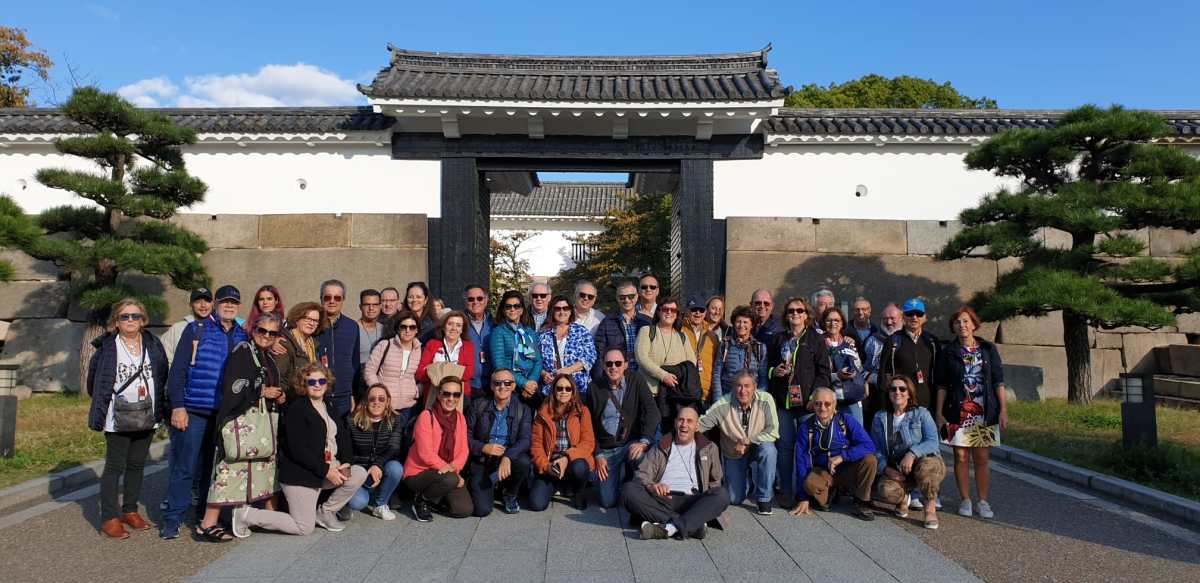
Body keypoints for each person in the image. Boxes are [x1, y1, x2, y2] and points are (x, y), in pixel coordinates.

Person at [230, 363, 368, 537]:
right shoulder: (296, 408)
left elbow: (343, 437)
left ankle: (325, 513)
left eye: (321, 381)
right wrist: (326, 471)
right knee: (304, 527)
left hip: (325, 468)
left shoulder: (329, 405)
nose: (317, 385)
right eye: (311, 382)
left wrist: (346, 462)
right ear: (304, 384)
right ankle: (246, 515)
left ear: (327, 383)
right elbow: (298, 450)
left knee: (358, 473)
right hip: (302, 475)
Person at [161, 285, 249, 540]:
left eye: (234, 303)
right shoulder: (196, 330)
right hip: (195, 410)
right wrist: (178, 406)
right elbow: (178, 372)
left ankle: (202, 515)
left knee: (212, 469)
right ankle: (173, 519)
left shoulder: (242, 335)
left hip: (223, 414)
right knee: (185, 467)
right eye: (224, 302)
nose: (229, 306)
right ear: (216, 304)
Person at [196, 313, 286, 542]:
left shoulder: (266, 356)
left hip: (260, 423)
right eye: (262, 330)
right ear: (253, 330)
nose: (266, 336)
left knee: (264, 469)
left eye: (272, 333)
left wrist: (278, 395)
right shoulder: (242, 352)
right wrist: (262, 392)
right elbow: (233, 386)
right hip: (240, 420)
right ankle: (207, 524)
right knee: (229, 469)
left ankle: (268, 515)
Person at [87, 299, 169, 539]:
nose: (130, 320)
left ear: (143, 320)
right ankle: (109, 517)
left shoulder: (153, 344)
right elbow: (94, 382)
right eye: (125, 316)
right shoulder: (107, 348)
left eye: (135, 316)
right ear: (116, 321)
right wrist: (104, 406)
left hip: (147, 413)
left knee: (137, 464)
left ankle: (130, 510)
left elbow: (162, 374)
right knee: (115, 467)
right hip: (118, 415)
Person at [935, 306, 1007, 520]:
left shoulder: (987, 349)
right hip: (957, 410)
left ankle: (983, 501)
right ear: (953, 327)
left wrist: (1003, 409)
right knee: (960, 456)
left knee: (982, 457)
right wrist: (939, 412)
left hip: (984, 410)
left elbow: (998, 380)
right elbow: (941, 385)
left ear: (974, 324)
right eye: (957, 322)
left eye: (966, 321)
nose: (962, 325)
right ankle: (965, 499)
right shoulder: (947, 351)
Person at [623, 406, 730, 540]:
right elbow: (641, 474)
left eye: (689, 421)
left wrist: (712, 507)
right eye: (681, 420)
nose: (684, 425)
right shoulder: (661, 446)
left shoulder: (709, 448)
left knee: (722, 494)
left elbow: (715, 483)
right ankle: (692, 525)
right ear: (675, 423)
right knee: (628, 490)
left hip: (693, 500)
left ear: (697, 426)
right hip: (663, 500)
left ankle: (668, 529)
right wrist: (652, 486)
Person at [767, 297, 831, 509]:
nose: (795, 314)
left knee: (806, 449)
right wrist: (774, 371)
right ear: (786, 315)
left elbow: (824, 373)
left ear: (806, 315)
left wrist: (814, 398)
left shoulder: (816, 339)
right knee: (785, 448)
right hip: (784, 403)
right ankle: (786, 490)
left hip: (807, 405)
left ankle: (807, 492)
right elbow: (767, 367)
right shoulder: (778, 339)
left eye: (799, 310)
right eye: (791, 311)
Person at [585, 348, 661, 508]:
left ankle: (639, 491)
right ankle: (619, 480)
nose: (613, 367)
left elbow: (652, 411)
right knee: (607, 502)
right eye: (609, 364)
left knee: (641, 457)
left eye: (618, 363)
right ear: (603, 365)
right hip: (607, 450)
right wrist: (597, 454)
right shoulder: (594, 388)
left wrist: (644, 441)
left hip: (630, 443)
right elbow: (588, 426)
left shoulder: (636, 380)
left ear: (625, 365)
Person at [789, 388, 878, 521]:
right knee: (810, 484)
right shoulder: (806, 428)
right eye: (818, 403)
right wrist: (803, 498)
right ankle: (831, 492)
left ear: (835, 404)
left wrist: (843, 456)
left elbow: (869, 445)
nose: (822, 408)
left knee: (870, 460)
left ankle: (861, 501)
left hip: (846, 468)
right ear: (812, 405)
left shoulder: (846, 420)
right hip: (824, 471)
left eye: (827, 404)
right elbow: (801, 462)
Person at [697, 371, 778, 514]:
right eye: (739, 386)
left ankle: (764, 499)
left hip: (758, 446)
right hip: (734, 451)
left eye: (747, 386)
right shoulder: (723, 403)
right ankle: (748, 482)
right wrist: (684, 426)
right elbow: (701, 423)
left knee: (769, 450)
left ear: (755, 387)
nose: (743, 390)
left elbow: (773, 431)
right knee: (734, 499)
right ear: (733, 387)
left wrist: (748, 441)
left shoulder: (766, 399)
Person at [872, 375, 945, 529]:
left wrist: (912, 454)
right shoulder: (880, 417)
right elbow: (876, 449)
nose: (897, 392)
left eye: (902, 389)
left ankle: (930, 509)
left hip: (923, 463)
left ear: (909, 393)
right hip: (898, 468)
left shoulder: (922, 414)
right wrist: (886, 469)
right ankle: (903, 498)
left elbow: (933, 441)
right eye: (893, 389)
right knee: (886, 489)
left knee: (928, 467)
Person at [403, 376, 473, 522]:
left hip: (447, 473)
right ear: (439, 395)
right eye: (446, 394)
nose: (451, 399)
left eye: (456, 394)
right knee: (450, 479)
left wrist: (454, 469)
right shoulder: (426, 416)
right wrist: (452, 472)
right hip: (420, 472)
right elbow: (425, 454)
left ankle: (434, 500)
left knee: (464, 509)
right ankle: (421, 500)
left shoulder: (460, 418)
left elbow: (464, 450)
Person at [465, 369, 533, 516]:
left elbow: (526, 440)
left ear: (513, 386)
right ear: (491, 385)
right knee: (482, 510)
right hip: (483, 459)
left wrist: (508, 456)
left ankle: (510, 494)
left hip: (506, 457)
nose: (502, 387)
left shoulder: (523, 409)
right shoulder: (478, 405)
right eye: (498, 383)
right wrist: (483, 447)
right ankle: (490, 486)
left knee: (523, 462)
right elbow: (465, 436)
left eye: (507, 383)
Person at [529, 374, 595, 511]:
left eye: (568, 389)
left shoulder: (582, 411)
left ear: (573, 391)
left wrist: (566, 457)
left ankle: (578, 491)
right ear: (553, 391)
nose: (563, 392)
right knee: (537, 504)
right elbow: (536, 445)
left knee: (580, 466)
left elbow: (588, 443)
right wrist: (546, 466)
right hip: (551, 464)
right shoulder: (543, 413)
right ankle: (558, 485)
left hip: (572, 461)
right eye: (559, 388)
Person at [344, 384, 406, 521]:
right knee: (358, 503)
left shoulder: (396, 419)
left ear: (388, 401)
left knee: (396, 468)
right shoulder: (352, 421)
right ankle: (368, 494)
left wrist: (377, 465)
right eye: (372, 398)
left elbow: (394, 447)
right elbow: (346, 452)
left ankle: (380, 504)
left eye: (381, 399)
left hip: (382, 469)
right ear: (366, 401)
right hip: (360, 472)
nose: (376, 402)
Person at [635, 297, 697, 413]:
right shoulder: (647, 331)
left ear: (677, 314)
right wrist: (663, 375)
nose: (669, 312)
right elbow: (641, 357)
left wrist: (676, 375)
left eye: (673, 310)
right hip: (651, 394)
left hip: (674, 394)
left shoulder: (682, 336)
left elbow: (691, 363)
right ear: (659, 312)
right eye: (665, 309)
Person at [878, 298, 940, 411]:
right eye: (909, 314)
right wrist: (885, 406)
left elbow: (940, 376)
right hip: (901, 404)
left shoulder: (932, 342)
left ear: (925, 317)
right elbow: (883, 376)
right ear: (903, 317)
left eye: (918, 314)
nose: (914, 317)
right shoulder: (893, 341)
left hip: (928, 404)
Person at [488, 290, 543, 408]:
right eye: (508, 306)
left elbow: (538, 361)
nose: (512, 309)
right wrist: (523, 383)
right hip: (509, 387)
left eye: (516, 306)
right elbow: (499, 366)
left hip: (530, 388)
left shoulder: (529, 332)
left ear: (522, 310)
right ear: (503, 310)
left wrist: (531, 383)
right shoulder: (498, 332)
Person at [364, 312, 423, 419]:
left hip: (409, 407)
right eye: (403, 327)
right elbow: (369, 371)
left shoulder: (419, 350)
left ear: (417, 330)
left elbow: (423, 375)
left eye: (412, 327)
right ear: (398, 328)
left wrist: (416, 391)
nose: (408, 330)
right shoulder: (385, 345)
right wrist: (380, 393)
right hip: (384, 405)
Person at [315, 279, 361, 417]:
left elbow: (355, 362)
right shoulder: (313, 325)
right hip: (318, 393)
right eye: (327, 297)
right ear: (321, 299)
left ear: (343, 300)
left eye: (337, 298)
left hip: (344, 396)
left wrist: (353, 394)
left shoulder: (352, 326)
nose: (332, 301)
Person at [539, 295, 597, 396]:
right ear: (552, 311)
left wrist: (568, 370)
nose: (562, 312)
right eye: (558, 309)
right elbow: (536, 361)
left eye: (565, 308)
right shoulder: (543, 335)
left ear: (570, 311)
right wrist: (544, 374)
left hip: (578, 387)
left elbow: (590, 356)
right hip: (552, 389)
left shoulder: (581, 331)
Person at [711, 305, 769, 405]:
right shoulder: (725, 345)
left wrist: (758, 402)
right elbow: (717, 374)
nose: (741, 325)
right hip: (727, 398)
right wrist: (718, 401)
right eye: (738, 321)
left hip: (751, 401)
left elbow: (763, 378)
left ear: (752, 325)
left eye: (745, 322)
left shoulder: (759, 348)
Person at [593, 281, 651, 377]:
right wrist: (599, 381)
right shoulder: (607, 323)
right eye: (622, 297)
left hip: (644, 375)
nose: (627, 300)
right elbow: (599, 354)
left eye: (630, 296)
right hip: (618, 376)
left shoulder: (647, 322)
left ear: (637, 297)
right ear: (617, 298)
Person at [416, 310, 476, 401]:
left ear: (462, 329)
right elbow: (420, 373)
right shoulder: (432, 344)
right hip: (434, 394)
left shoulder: (468, 346)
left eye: (458, 325)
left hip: (459, 395)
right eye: (450, 324)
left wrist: (436, 370)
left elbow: (469, 372)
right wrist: (456, 370)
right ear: (443, 327)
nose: (454, 328)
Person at [822, 307, 868, 424]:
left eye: (836, 320)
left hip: (852, 397)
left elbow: (859, 367)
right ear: (824, 323)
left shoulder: (849, 343)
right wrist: (837, 376)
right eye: (829, 320)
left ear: (842, 323)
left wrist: (865, 383)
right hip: (829, 400)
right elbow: (817, 373)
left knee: (856, 431)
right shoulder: (819, 343)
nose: (833, 323)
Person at [862, 302, 903, 423]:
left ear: (901, 319)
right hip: (877, 397)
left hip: (903, 396)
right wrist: (877, 378)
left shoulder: (907, 341)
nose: (889, 322)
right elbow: (861, 368)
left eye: (892, 318)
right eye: (885, 318)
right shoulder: (871, 341)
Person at [275, 302, 323, 397]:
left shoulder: (313, 345)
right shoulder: (285, 343)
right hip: (293, 399)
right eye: (307, 319)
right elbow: (279, 378)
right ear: (297, 319)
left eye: (315, 321)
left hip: (309, 397)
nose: (311, 323)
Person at [682, 295, 719, 405]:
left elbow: (717, 365)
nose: (697, 313)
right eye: (694, 309)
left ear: (705, 312)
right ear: (687, 311)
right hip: (685, 392)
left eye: (701, 310)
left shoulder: (713, 336)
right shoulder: (679, 332)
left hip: (706, 393)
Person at [161, 288, 213, 365]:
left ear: (212, 303)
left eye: (207, 301)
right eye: (198, 302)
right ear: (191, 304)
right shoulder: (177, 328)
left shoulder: (219, 328)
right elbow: (165, 357)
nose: (203, 305)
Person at [463, 284, 493, 397]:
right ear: (465, 302)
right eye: (471, 299)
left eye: (479, 298)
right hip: (468, 386)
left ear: (486, 300)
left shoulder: (495, 323)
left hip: (492, 385)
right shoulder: (459, 323)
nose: (475, 302)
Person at [357, 288, 384, 366]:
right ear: (360, 307)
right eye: (367, 304)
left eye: (375, 304)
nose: (371, 308)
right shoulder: (353, 329)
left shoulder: (384, 329)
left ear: (380, 306)